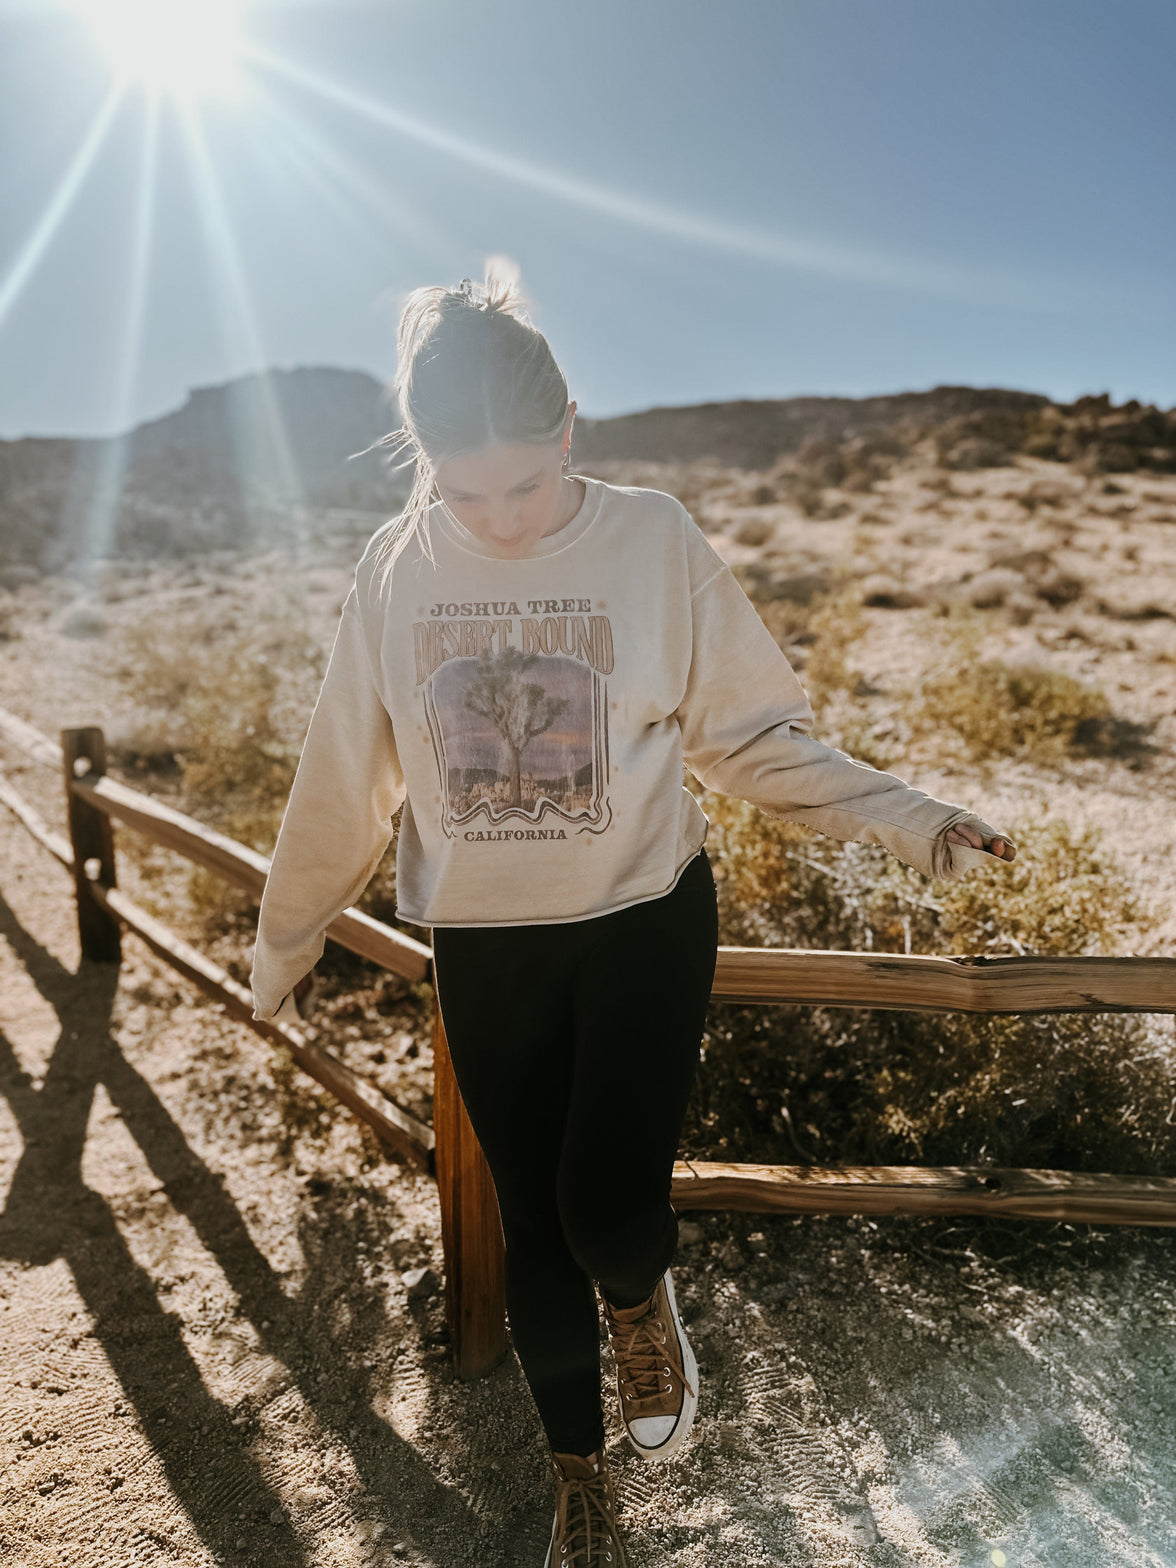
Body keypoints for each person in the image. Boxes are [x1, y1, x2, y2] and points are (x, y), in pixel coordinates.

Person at [249, 268, 1016, 1567]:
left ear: (568, 434)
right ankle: (580, 1483)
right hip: (486, 945)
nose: (496, 520)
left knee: (605, 1213)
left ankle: (643, 1292)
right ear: (424, 467)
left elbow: (754, 739)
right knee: (533, 1226)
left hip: (642, 920)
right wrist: (286, 933)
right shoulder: (395, 566)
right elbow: (345, 773)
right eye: (462, 490)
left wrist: (910, 814)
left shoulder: (654, 541)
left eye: (524, 486)